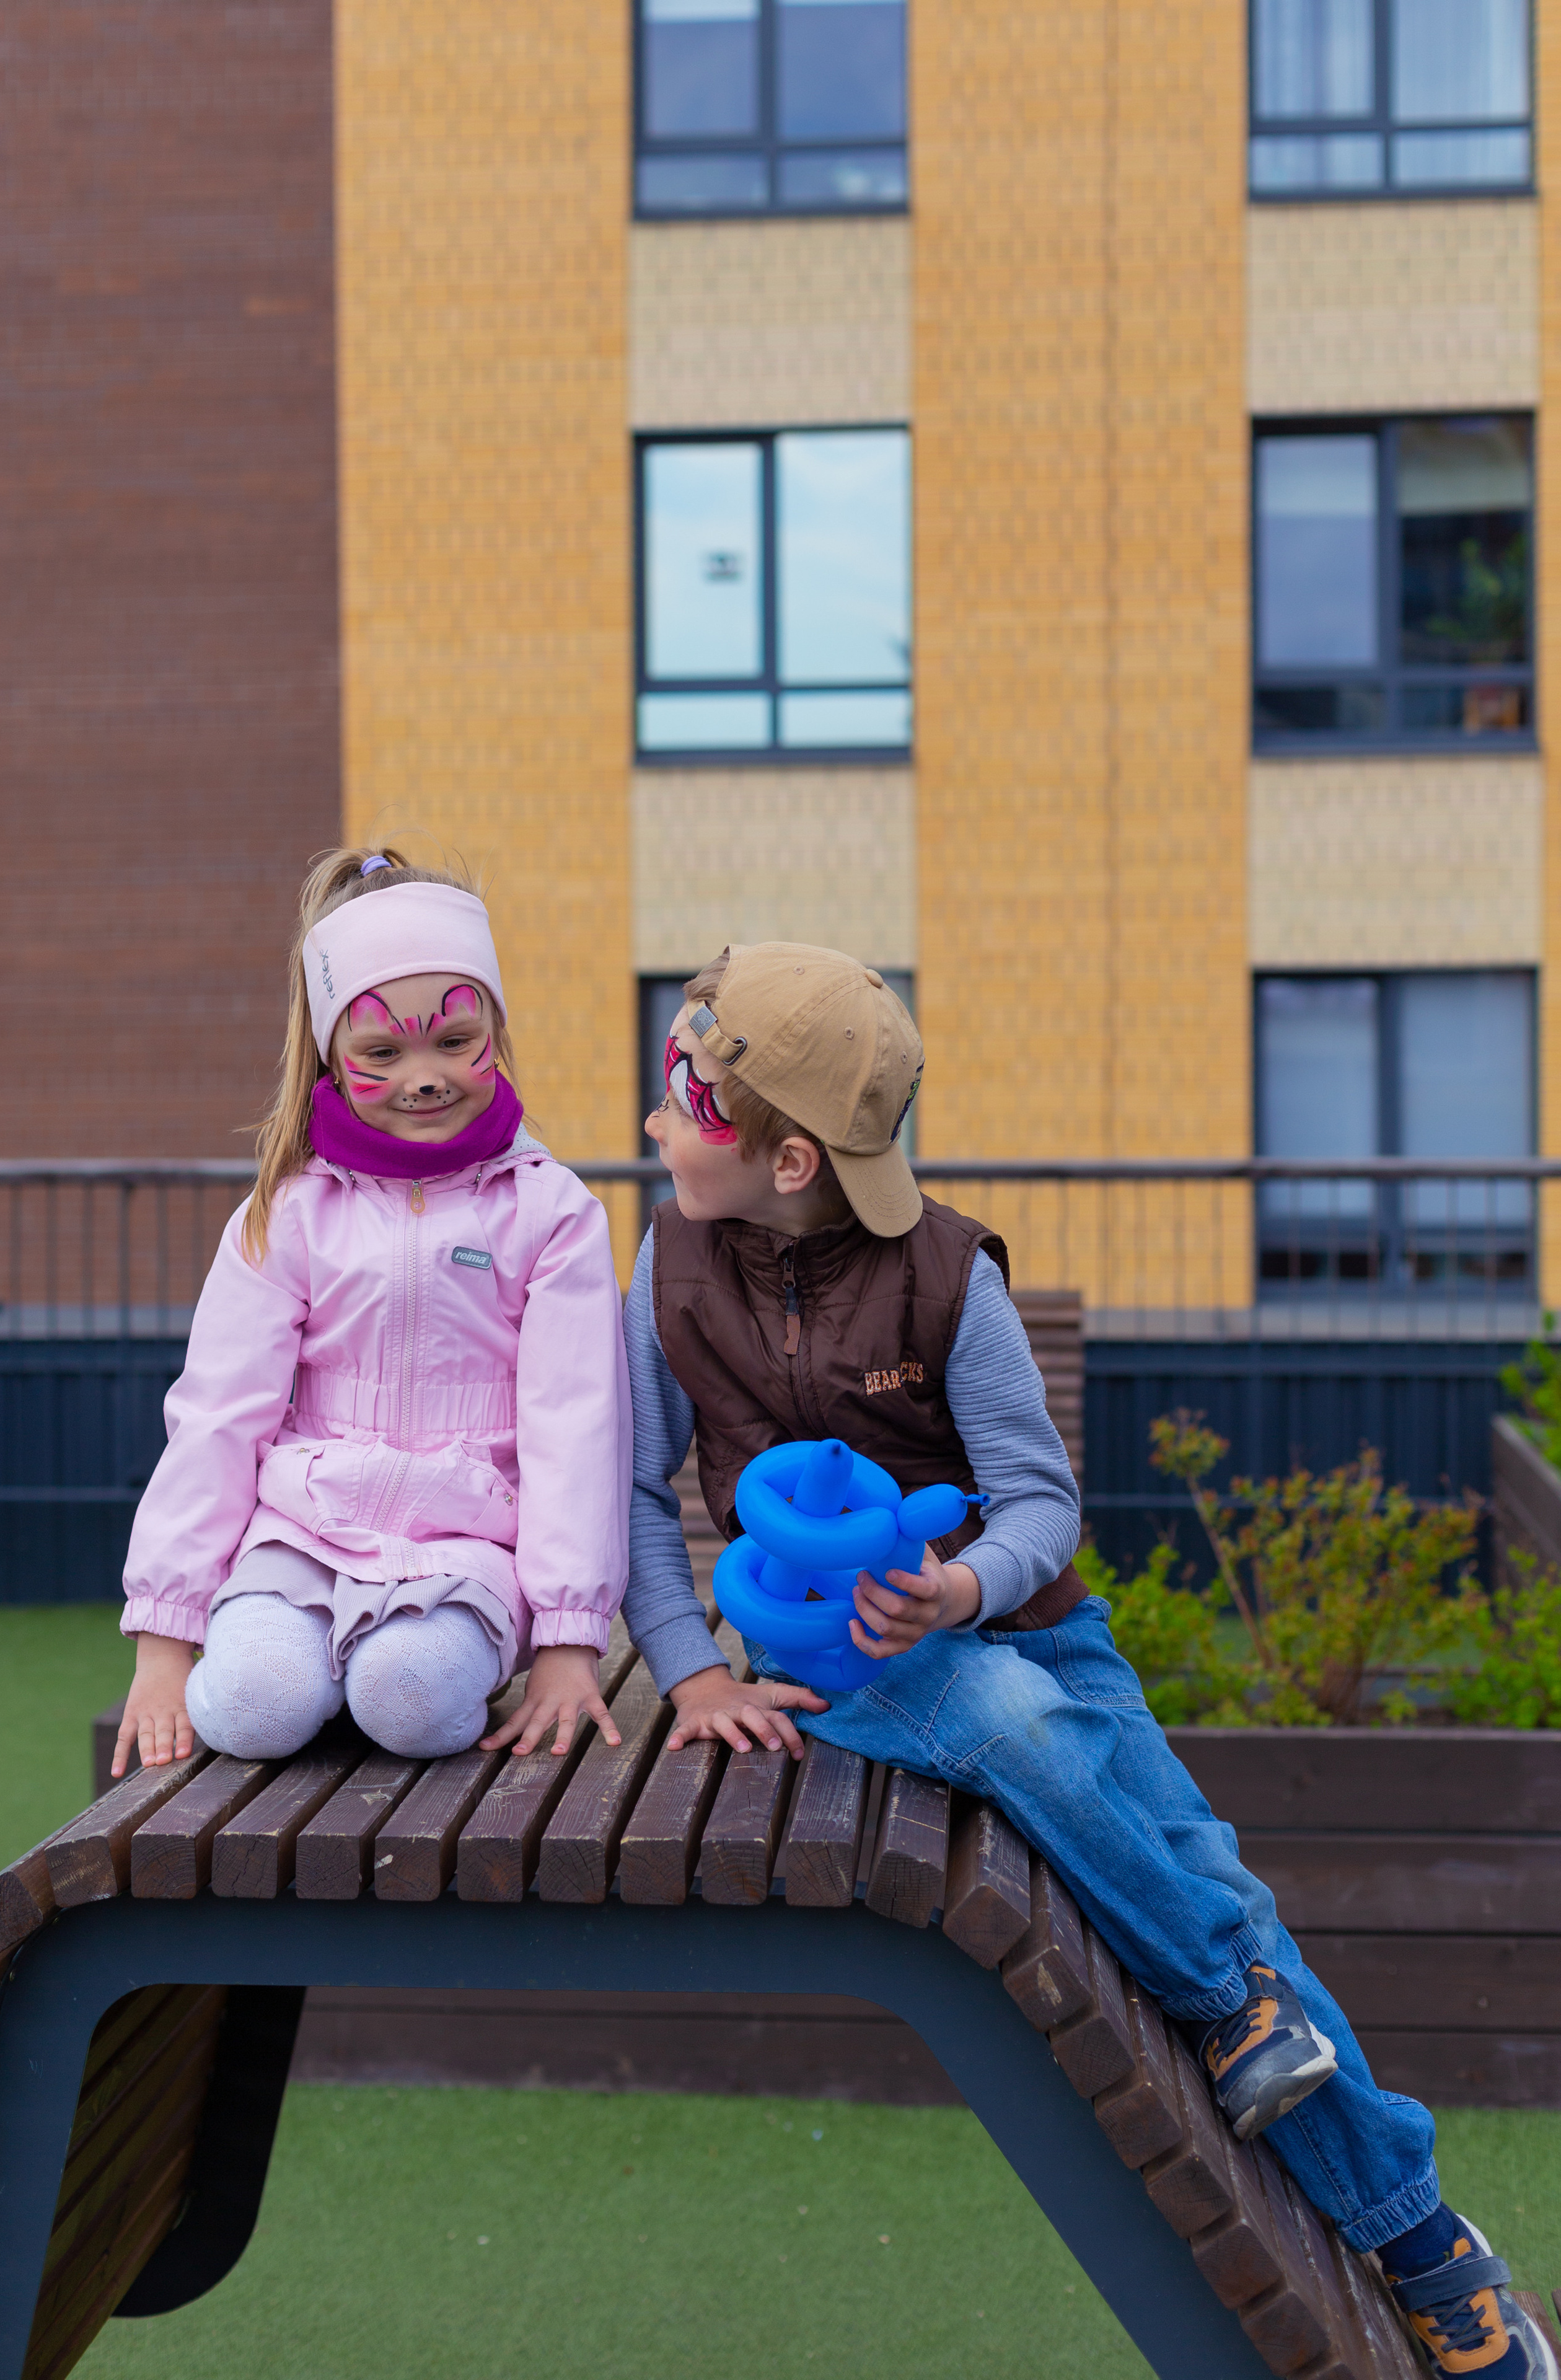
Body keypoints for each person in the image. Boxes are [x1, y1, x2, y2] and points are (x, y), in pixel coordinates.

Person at [620, 940, 1552, 2380]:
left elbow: (1041, 1497)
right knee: (1005, 1726)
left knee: (1217, 1880)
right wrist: (692, 1671)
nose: (652, 1120)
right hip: (844, 1669)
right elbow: (630, 1488)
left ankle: (1417, 2234)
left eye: (682, 1093)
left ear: (789, 1155)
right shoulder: (667, 1265)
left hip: (1031, 1625)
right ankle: (1229, 2003)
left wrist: (963, 1583)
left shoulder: (944, 1275)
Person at [113, 848, 631, 1781]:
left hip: (468, 1553)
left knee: (412, 1698)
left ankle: (388, 1667)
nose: (424, 1077)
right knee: (251, 1706)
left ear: (495, 1030)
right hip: (299, 1540)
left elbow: (576, 1426)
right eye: (383, 1053)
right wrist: (164, 1636)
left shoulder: (552, 1213)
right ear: (329, 1055)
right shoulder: (288, 1213)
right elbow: (220, 1416)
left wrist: (565, 1638)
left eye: (454, 1040)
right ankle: (302, 1665)